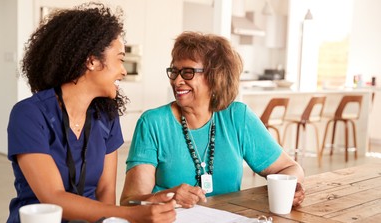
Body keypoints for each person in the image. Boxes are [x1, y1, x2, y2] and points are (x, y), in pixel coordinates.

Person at [4, 3, 175, 223]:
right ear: (92, 61)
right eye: (120, 59)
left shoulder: (106, 116)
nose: (123, 71)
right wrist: (133, 216)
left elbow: (105, 191)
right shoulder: (29, 114)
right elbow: (53, 196)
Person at [121, 31, 305, 208]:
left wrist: (291, 188)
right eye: (174, 72)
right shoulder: (153, 123)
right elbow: (130, 201)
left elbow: (289, 168)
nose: (177, 81)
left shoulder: (237, 117)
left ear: (214, 76)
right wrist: (166, 198)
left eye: (188, 73)